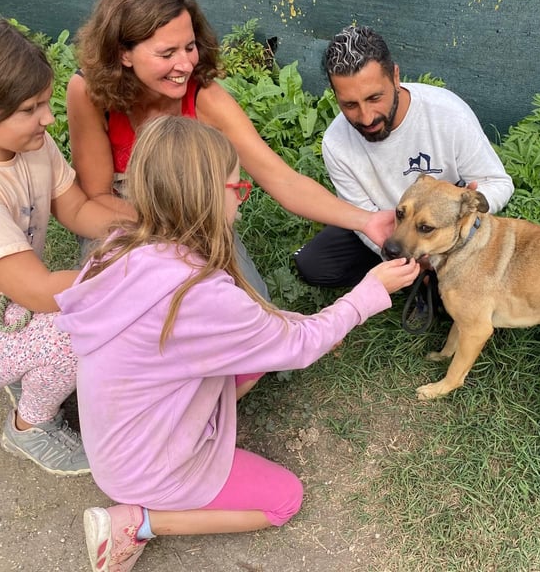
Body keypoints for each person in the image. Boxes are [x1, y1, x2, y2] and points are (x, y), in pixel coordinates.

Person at [54, 116, 419, 572]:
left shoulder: (118, 247)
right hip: (146, 467)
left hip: (116, 439)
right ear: (208, 195)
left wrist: (299, 323)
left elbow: (266, 332)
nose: (241, 198)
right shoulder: (198, 293)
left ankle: (183, 448)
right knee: (283, 500)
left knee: (259, 354)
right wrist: (368, 293)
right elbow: (300, 346)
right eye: (236, 187)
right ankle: (139, 522)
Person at [66, 0, 396, 297]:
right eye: (167, 54)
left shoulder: (204, 98)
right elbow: (97, 196)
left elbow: (283, 181)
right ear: (124, 53)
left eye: (190, 47)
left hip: (194, 217)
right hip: (124, 217)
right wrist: (164, 233)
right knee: (129, 307)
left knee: (251, 308)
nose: (185, 65)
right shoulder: (88, 93)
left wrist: (366, 221)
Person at [0, 16, 127, 475]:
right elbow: (39, 291)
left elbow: (77, 209)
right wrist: (131, 280)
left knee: (115, 264)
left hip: (3, 296)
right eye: (30, 108)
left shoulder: (30, 144)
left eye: (44, 101)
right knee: (76, 327)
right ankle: (29, 427)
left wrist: (152, 226)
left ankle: (23, 361)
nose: (48, 117)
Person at [293, 25, 515, 288]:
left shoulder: (448, 114)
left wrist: (466, 205)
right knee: (314, 265)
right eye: (350, 105)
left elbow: (498, 182)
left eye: (375, 97)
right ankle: (410, 276)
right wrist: (403, 257)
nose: (366, 117)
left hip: (442, 233)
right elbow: (363, 215)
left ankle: (427, 278)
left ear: (395, 77)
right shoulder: (336, 142)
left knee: (464, 296)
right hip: (383, 226)